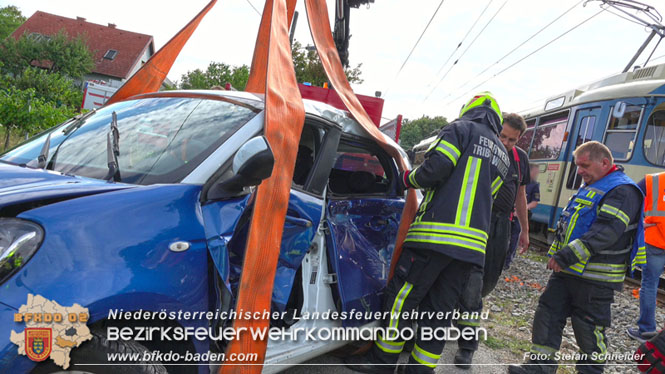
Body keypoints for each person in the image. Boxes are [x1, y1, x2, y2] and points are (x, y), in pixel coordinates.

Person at [345, 92, 509, 374]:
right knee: (440, 311)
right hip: (471, 250)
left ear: (469, 110)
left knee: (402, 299)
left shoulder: (460, 129)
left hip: (434, 237)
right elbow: (491, 197)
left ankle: (381, 363)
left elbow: (436, 169)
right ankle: (420, 369)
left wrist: (408, 179)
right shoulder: (503, 154)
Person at [508, 141, 646, 374]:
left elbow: (606, 231)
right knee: (548, 315)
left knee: (588, 331)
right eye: (577, 165)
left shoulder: (622, 190)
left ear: (604, 162)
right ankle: (540, 367)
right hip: (569, 272)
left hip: (595, 279)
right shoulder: (593, 184)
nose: (579, 171)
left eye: (584, 165)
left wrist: (566, 255)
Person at [454, 113, 531, 369]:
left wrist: (524, 230)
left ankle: (460, 312)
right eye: (504, 136)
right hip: (478, 219)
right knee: (473, 283)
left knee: (487, 282)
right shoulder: (484, 148)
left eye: (513, 139)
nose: (507, 143)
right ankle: (467, 346)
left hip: (502, 227)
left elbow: (521, 193)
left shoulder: (521, 159)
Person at [627, 171, 665, 343]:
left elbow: (631, 197)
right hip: (655, 241)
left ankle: (646, 331)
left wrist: (642, 222)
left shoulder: (654, 180)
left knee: (650, 285)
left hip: (655, 241)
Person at [505, 163, 540, 270]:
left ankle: (507, 262)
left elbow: (534, 202)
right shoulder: (517, 181)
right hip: (509, 214)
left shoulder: (534, 185)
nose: (537, 174)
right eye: (536, 172)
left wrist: (523, 209)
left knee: (514, 239)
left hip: (519, 218)